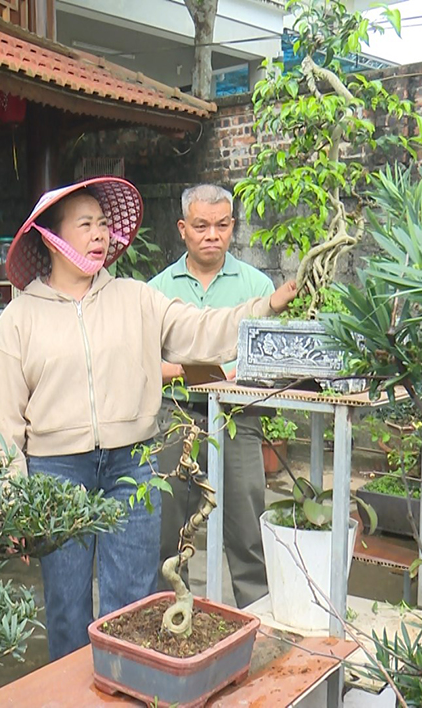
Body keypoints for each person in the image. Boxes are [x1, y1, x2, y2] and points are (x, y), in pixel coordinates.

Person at [0, 177, 298, 661]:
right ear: (51, 237)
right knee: (67, 607)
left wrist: (267, 305)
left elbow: (199, 330)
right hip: (55, 473)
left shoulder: (136, 298)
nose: (99, 234)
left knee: (131, 604)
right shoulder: (19, 317)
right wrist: (11, 498)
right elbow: (5, 422)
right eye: (85, 224)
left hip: (131, 465)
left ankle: (128, 687)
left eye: (103, 224)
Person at [150, 184, 276, 607]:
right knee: (170, 528)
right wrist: (199, 372)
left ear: (232, 227)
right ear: (182, 228)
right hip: (175, 416)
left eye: (222, 225)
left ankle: (258, 612)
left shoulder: (258, 286)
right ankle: (169, 613)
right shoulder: (157, 289)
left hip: (238, 416)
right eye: (201, 226)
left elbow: (267, 359)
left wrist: (233, 374)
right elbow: (144, 362)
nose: (212, 235)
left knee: (246, 526)